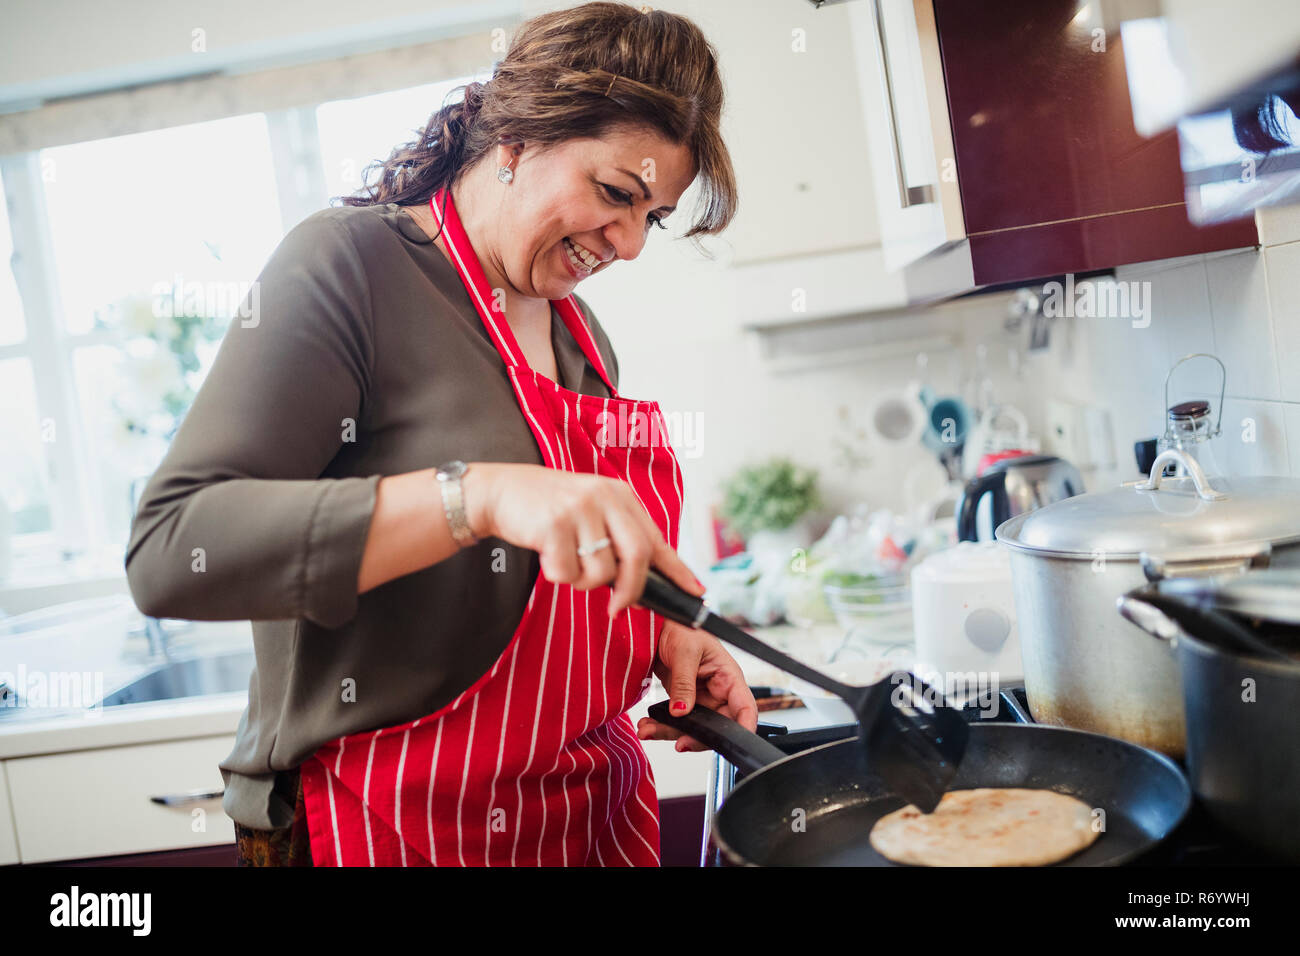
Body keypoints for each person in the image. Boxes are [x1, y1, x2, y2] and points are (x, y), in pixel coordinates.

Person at [124, 0, 757, 867]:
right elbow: (170, 550)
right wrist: (479, 494)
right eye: (616, 194)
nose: (632, 244)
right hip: (388, 825)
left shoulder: (578, 333)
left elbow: (553, 577)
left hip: (583, 823)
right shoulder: (351, 267)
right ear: (518, 139)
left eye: (654, 214)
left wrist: (656, 634)